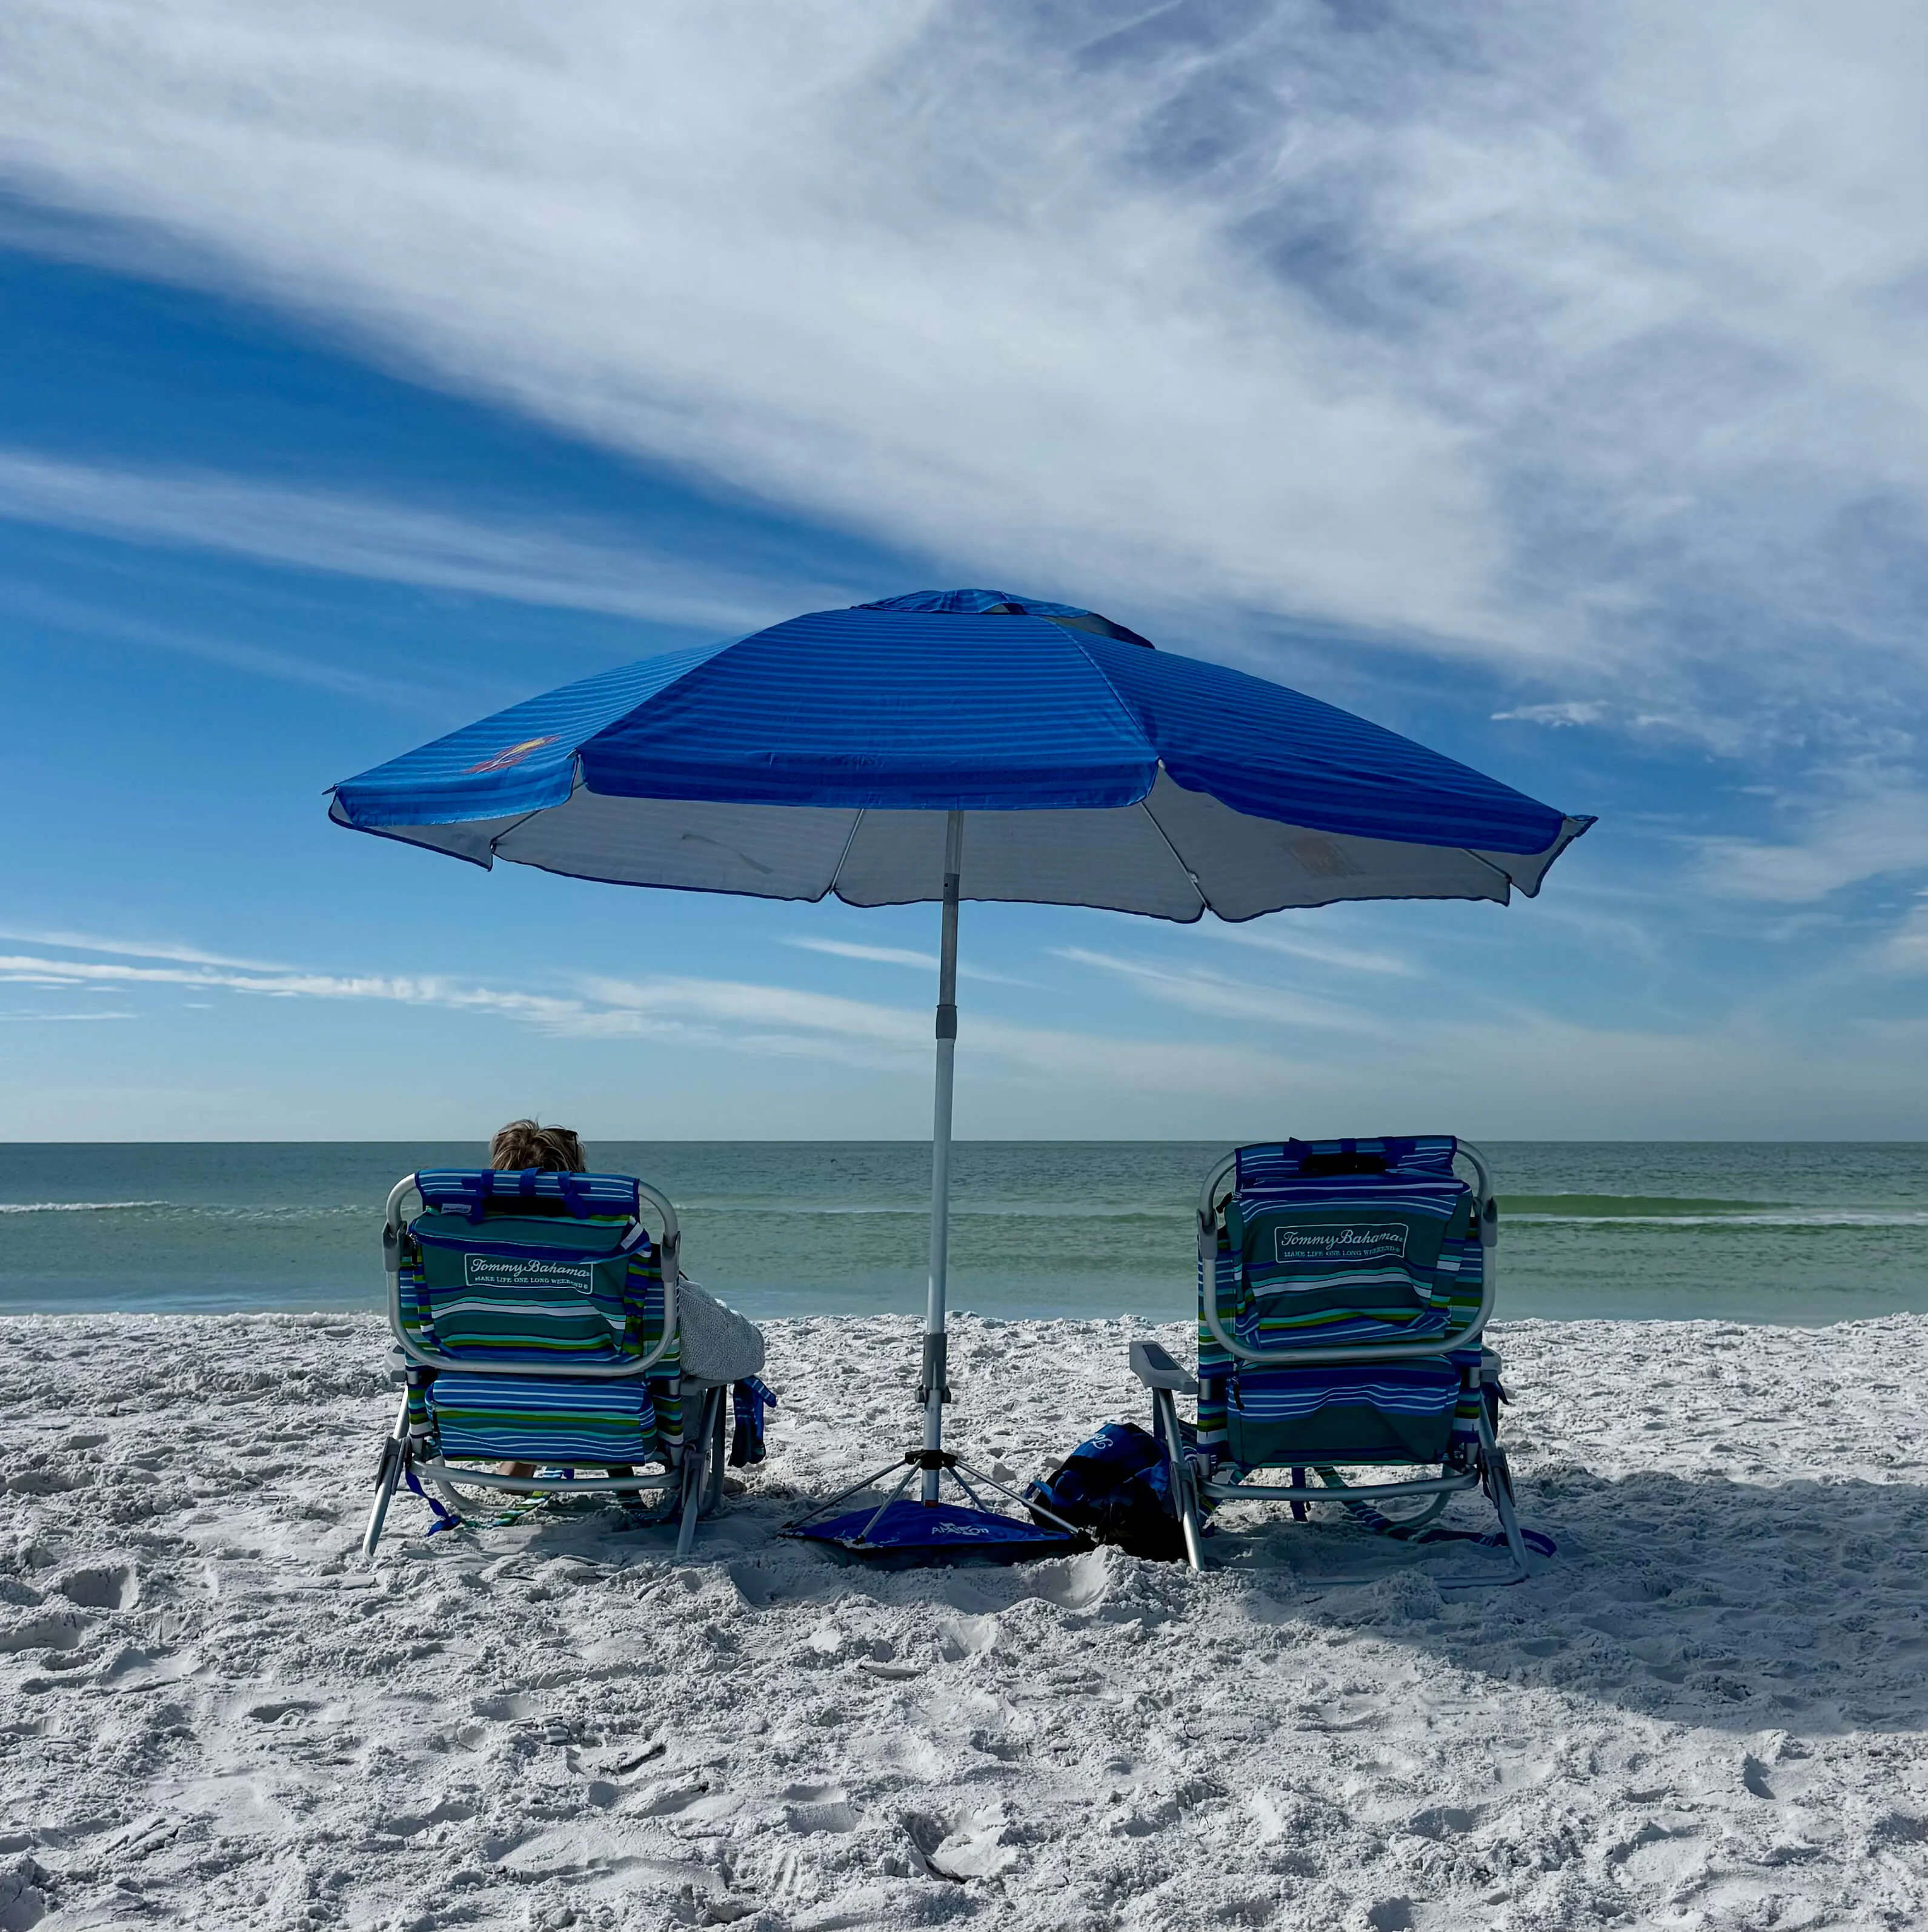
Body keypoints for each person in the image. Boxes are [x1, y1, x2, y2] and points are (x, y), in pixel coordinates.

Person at [487, 1120, 766, 1479]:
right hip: (612, 1420)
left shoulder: (460, 1261)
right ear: (578, 1183)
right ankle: (686, 1479)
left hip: (501, 1411)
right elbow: (732, 1352)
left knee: (527, 1359)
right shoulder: (617, 1256)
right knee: (671, 1354)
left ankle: (522, 1455)